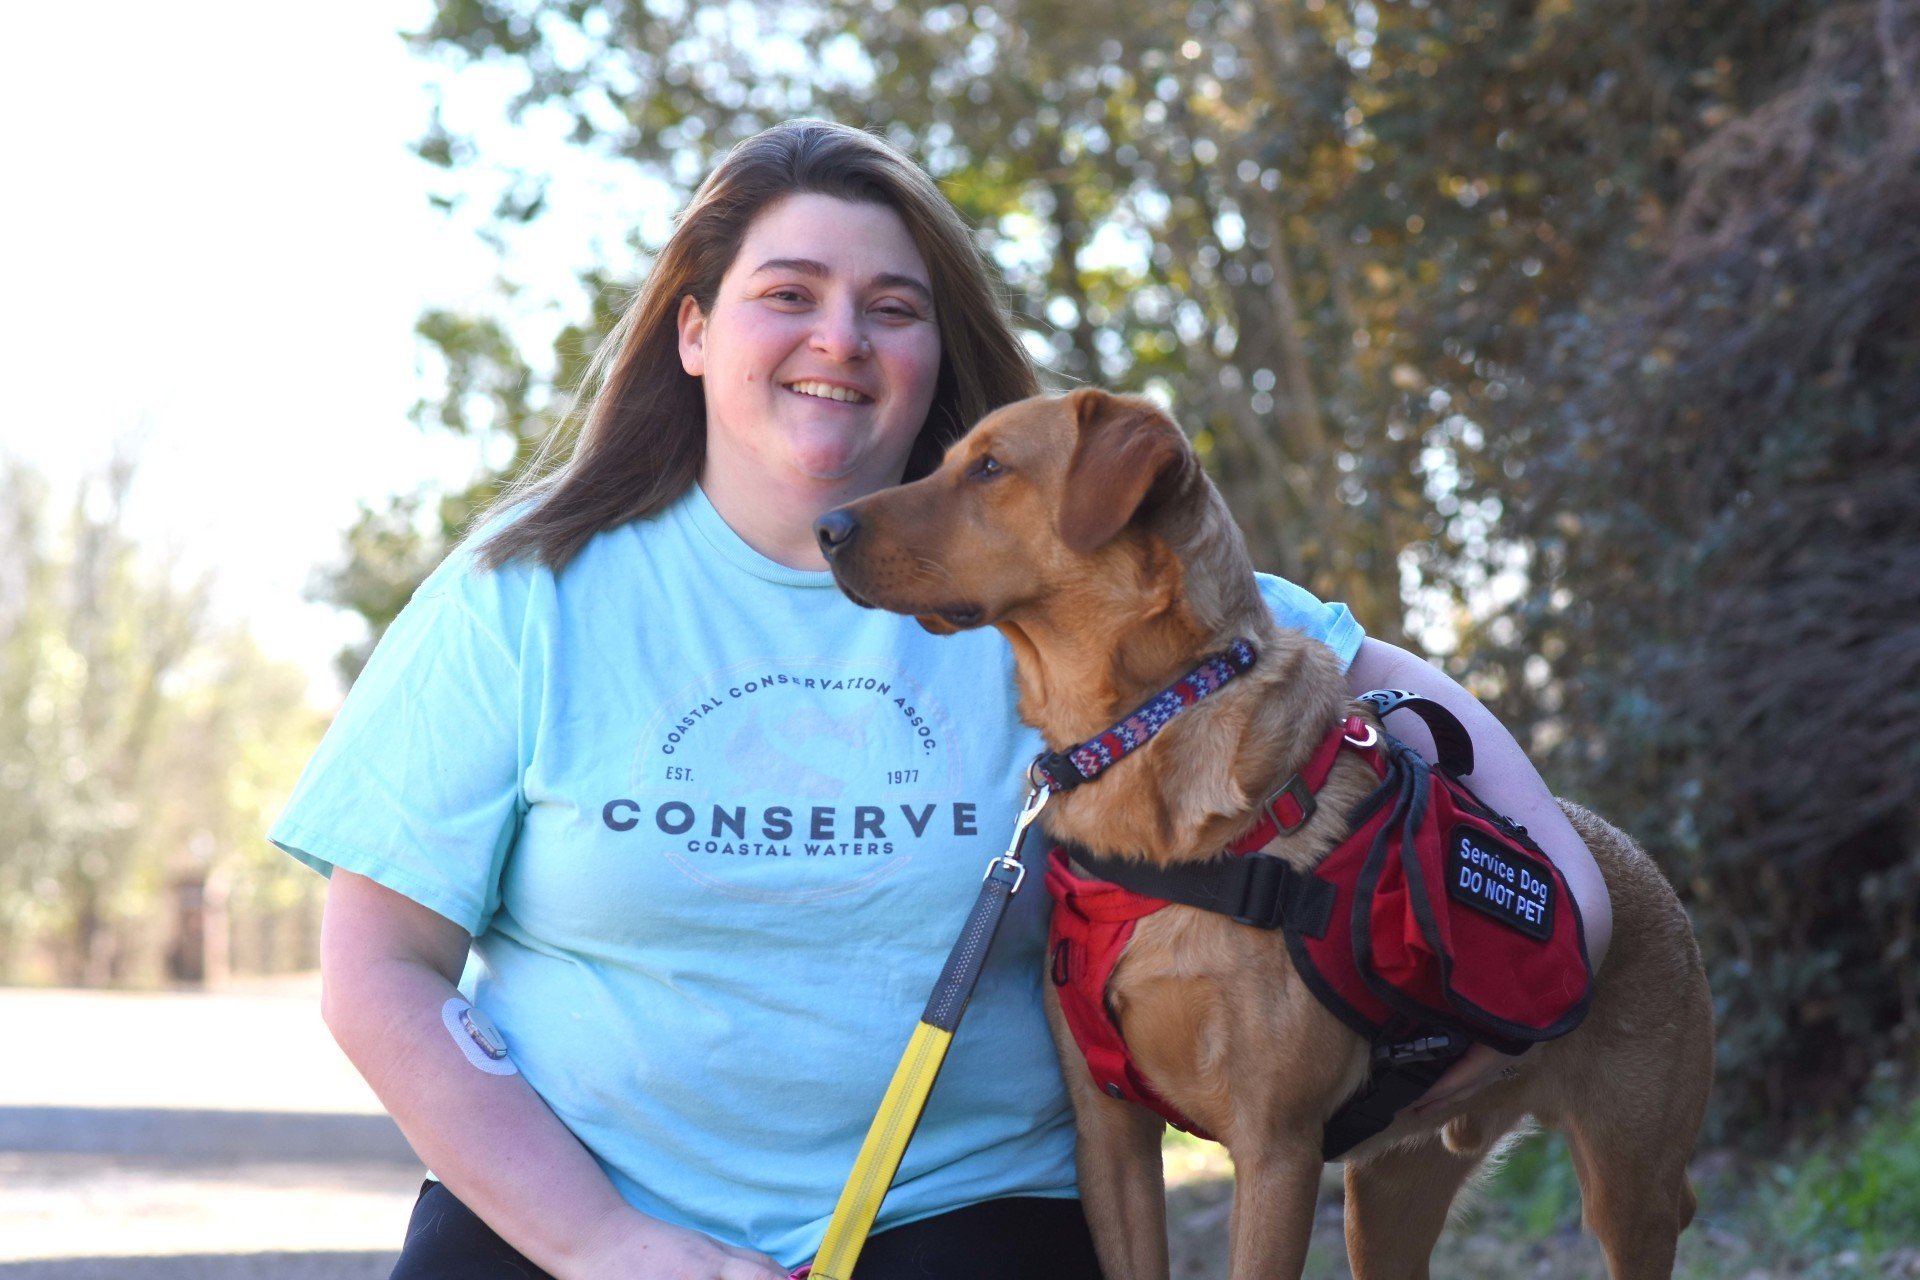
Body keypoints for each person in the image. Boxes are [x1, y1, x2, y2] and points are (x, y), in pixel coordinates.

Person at [272, 119, 1610, 1280]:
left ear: (934, 349)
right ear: (693, 331)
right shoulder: (524, 599)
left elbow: (1395, 708)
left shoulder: (1076, 581)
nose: (838, 340)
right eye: (785, 293)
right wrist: (599, 1245)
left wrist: (1548, 950)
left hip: (966, 1211)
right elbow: (380, 973)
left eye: (891, 308)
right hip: (579, 1219)